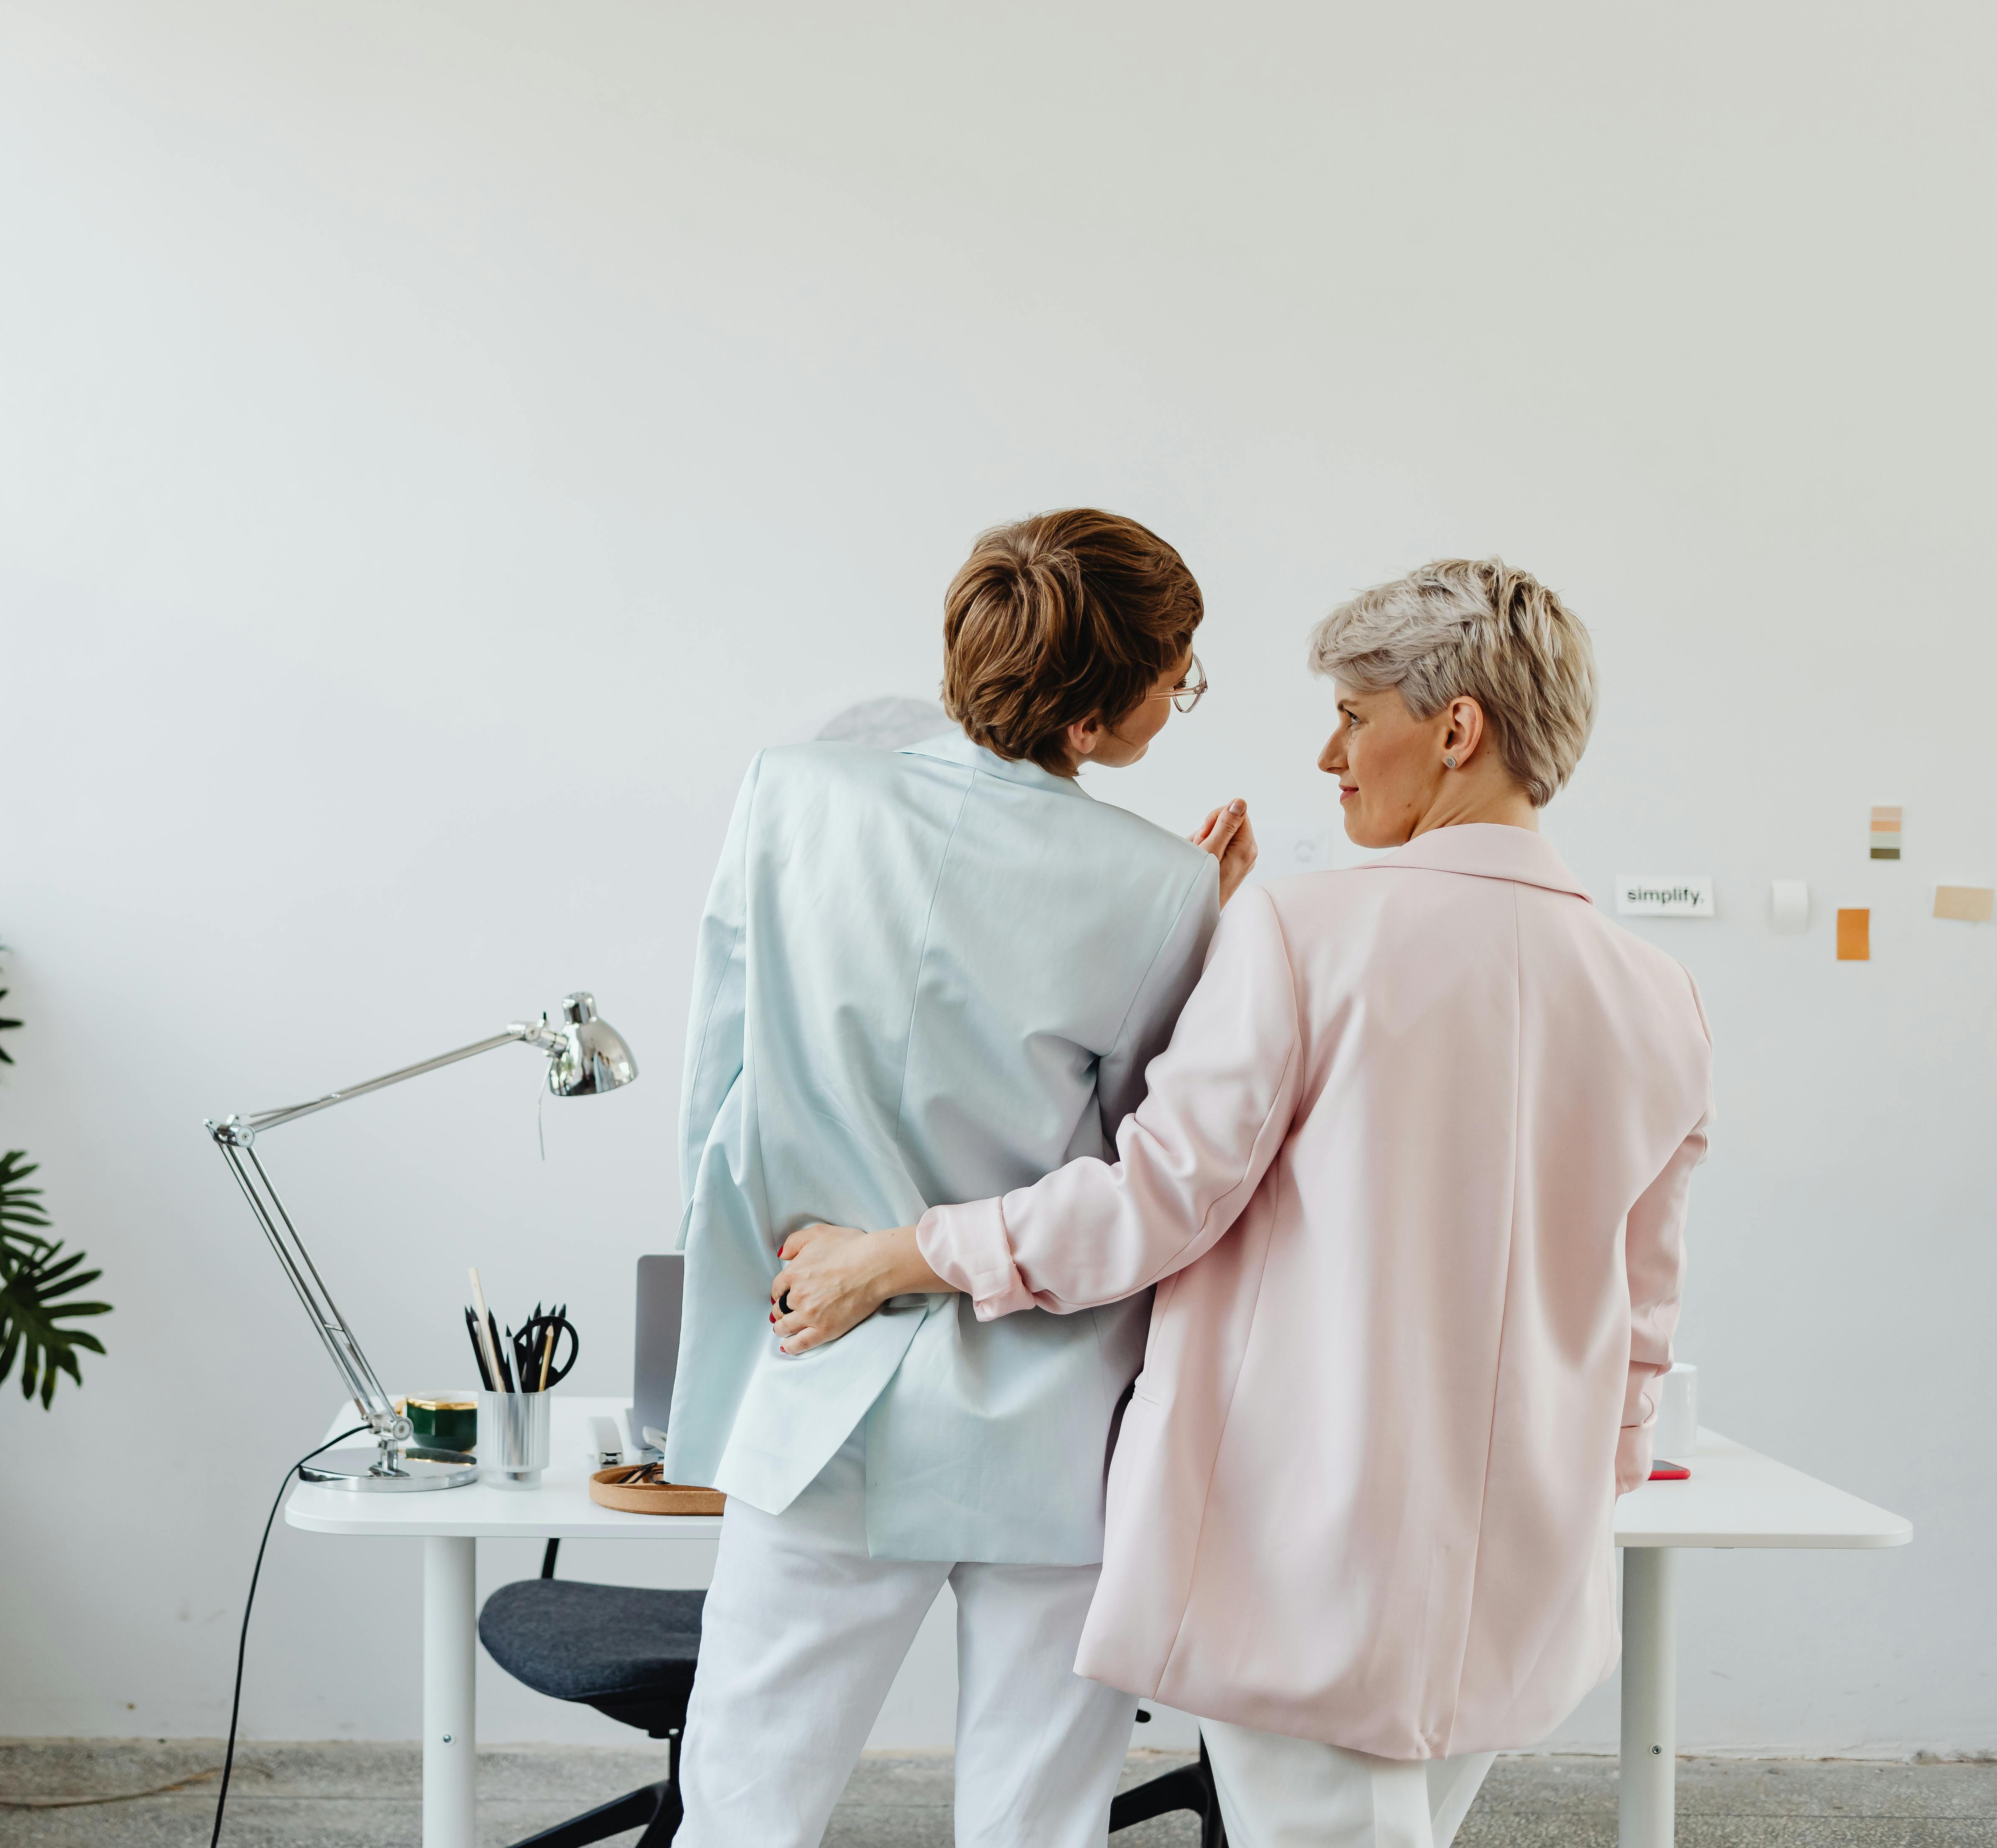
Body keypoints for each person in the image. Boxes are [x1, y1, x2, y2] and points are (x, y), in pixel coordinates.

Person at [769, 558, 1712, 1848]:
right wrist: (1578, 1494)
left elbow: (1151, 1203)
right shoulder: (1657, 992)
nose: (1329, 753)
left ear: (1455, 729)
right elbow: (1640, 1315)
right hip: (1527, 1570)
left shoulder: (1305, 934)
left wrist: (900, 1255)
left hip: (1305, 1553)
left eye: (1353, 713)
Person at [667, 507, 1254, 1848]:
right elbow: (1131, 1183)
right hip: (1046, 1416)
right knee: (1035, 1825)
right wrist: (1189, 922)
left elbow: (719, 1096)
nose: (1181, 693)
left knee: (741, 1814)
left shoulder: (788, 793)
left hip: (819, 1372)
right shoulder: (1161, 886)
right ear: (1100, 714)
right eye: (1178, 669)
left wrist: (743, 1323)